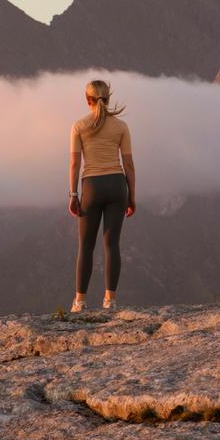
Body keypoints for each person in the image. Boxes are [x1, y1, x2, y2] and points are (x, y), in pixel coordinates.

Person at [68, 79, 136, 312]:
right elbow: (128, 163)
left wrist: (73, 194)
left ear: (87, 100)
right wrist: (132, 196)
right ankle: (110, 300)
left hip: (91, 187)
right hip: (117, 185)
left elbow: (75, 163)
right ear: (108, 100)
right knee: (112, 244)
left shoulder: (79, 126)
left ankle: (80, 302)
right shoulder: (121, 126)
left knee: (86, 246)